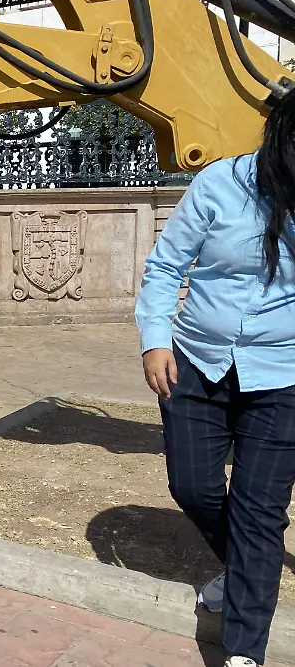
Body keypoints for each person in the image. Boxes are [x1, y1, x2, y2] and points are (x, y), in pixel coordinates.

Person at [136, 90, 295, 667]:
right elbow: (166, 266)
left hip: (283, 374)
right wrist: (155, 339)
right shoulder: (221, 185)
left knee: (259, 511)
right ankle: (246, 571)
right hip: (197, 362)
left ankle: (243, 651)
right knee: (194, 486)